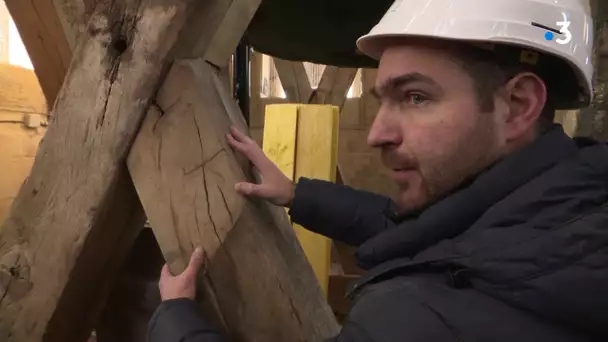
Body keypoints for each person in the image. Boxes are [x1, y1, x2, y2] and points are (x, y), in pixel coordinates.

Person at [147, 0, 608, 341]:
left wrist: (175, 320)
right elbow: (424, 231)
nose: (377, 134)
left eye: (416, 97)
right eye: (382, 100)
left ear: (518, 105)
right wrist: (296, 194)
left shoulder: (412, 318)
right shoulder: (567, 210)